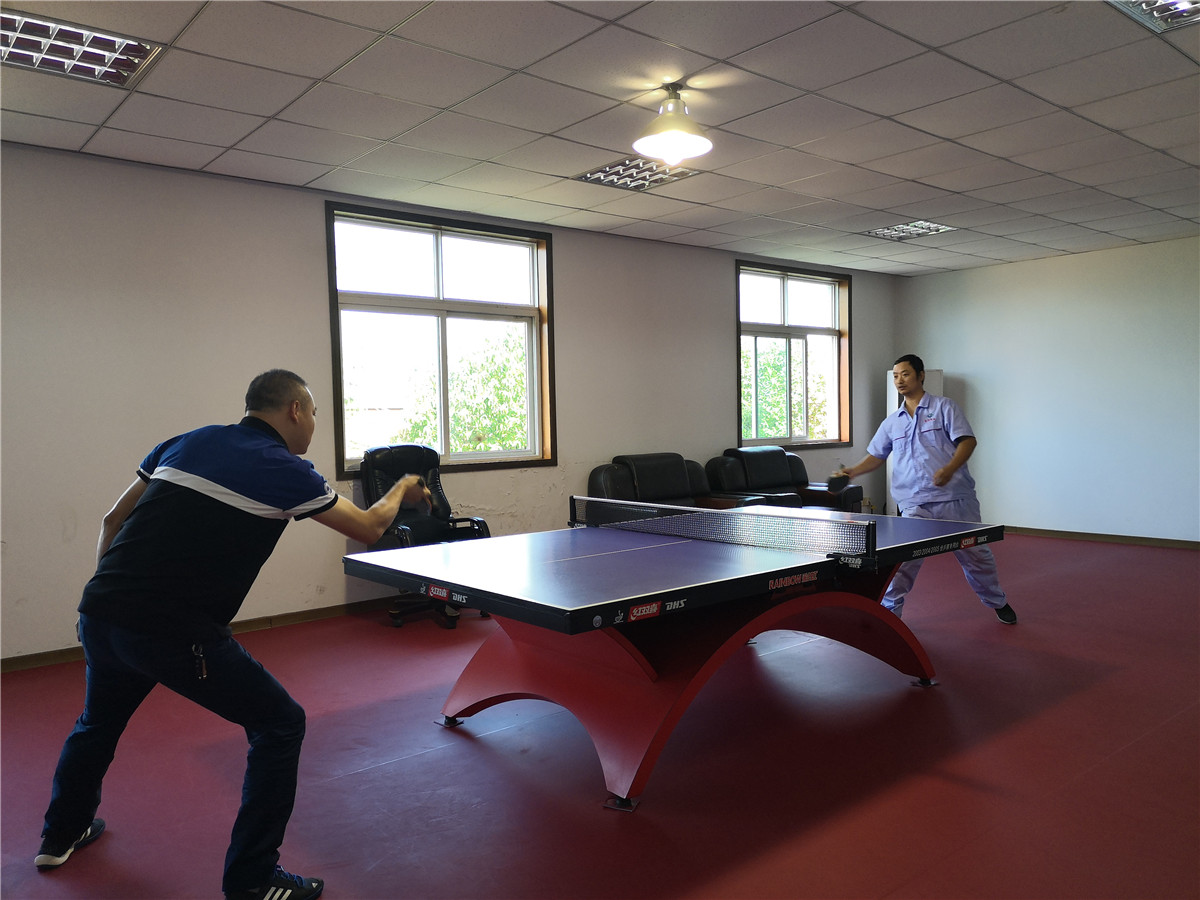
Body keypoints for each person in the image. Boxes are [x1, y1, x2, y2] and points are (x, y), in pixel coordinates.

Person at [36, 369, 431, 900]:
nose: (313, 424)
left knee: (97, 723)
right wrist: (402, 487)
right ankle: (252, 879)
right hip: (174, 631)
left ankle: (60, 835)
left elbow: (111, 521)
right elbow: (368, 526)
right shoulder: (285, 469)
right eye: (314, 413)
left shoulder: (185, 442)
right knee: (280, 724)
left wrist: (102, 602)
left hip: (102, 613)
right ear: (294, 409)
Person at [835, 354, 1016, 625]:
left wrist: (949, 469)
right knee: (901, 564)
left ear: (921, 376)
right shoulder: (892, 422)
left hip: (955, 500)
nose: (900, 380)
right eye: (896, 376)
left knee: (977, 557)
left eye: (906, 374)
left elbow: (967, 441)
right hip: (914, 504)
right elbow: (876, 456)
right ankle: (889, 614)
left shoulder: (944, 407)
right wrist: (851, 471)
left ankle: (997, 601)